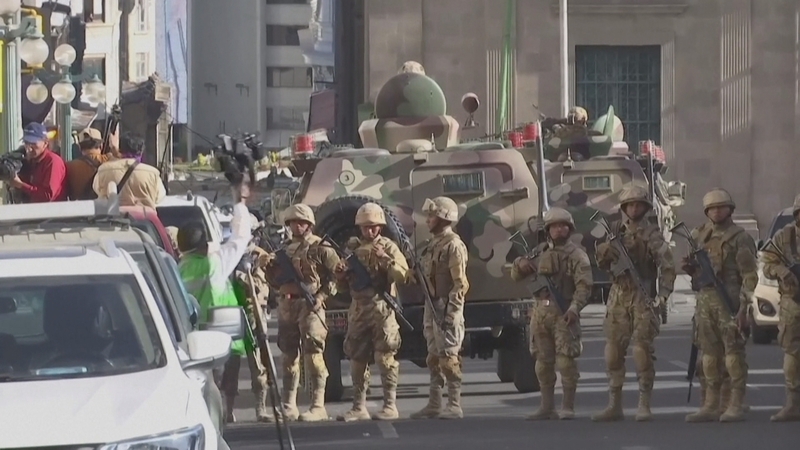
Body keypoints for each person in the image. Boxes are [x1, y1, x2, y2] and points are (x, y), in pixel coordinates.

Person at [592, 184, 676, 422]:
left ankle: (643, 403)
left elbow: (668, 266)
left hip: (642, 295)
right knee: (612, 353)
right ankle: (614, 404)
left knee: (641, 351)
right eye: (630, 204)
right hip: (619, 295)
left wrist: (663, 295)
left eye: (639, 204)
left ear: (645, 207)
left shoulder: (652, 234)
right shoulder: (615, 231)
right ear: (624, 207)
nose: (634, 208)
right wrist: (606, 250)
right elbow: (600, 262)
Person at [177, 181, 252, 423]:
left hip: (193, 340)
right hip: (223, 335)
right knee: (225, 380)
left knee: (205, 385)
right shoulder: (216, 263)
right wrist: (239, 203)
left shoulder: (176, 268)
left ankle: (209, 415)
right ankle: (227, 412)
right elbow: (241, 237)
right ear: (204, 244)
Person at [683, 188, 757, 423]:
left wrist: (744, 307)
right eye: (712, 208)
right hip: (705, 301)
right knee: (709, 357)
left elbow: (749, 275)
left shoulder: (740, 237)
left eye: (721, 207)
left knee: (733, 355)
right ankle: (711, 404)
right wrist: (691, 269)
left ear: (730, 210)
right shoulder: (698, 235)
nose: (716, 211)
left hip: (730, 300)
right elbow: (693, 269)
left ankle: (735, 402)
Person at [511, 208, 593, 420]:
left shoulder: (576, 255)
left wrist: (575, 308)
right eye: (555, 226)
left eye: (563, 225)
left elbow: (584, 286)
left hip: (563, 312)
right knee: (542, 363)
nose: (559, 229)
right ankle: (546, 406)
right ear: (548, 229)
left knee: (566, 362)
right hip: (540, 313)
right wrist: (520, 263)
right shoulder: (539, 251)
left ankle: (568, 406)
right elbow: (515, 275)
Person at [261, 204, 340, 422]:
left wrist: (322, 297)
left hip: (311, 305)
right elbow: (276, 282)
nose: (298, 226)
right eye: (294, 222)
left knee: (314, 355)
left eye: (302, 222)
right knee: (288, 356)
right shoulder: (283, 250)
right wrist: (268, 267)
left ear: (310, 224)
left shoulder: (321, 248)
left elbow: (337, 276)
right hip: (287, 305)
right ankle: (289, 405)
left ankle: (318, 405)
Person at [335, 203, 409, 422]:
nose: (370, 231)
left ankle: (389, 405)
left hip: (382, 308)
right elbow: (341, 290)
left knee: (385, 358)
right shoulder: (353, 252)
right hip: (358, 309)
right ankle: (359, 406)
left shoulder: (389, 247)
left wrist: (384, 258)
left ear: (380, 227)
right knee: (357, 358)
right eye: (366, 227)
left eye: (374, 227)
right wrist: (341, 274)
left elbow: (402, 276)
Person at [409, 196, 470, 420]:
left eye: (432, 216)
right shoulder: (433, 245)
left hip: (445, 307)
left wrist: (453, 312)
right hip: (431, 304)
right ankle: (434, 403)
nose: (428, 220)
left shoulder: (454, 245)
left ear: (444, 218)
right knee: (433, 356)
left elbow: (460, 283)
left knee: (448, 357)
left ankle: (454, 404)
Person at [759, 193, 800, 422]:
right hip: (792, 303)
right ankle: (793, 404)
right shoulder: (785, 236)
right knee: (792, 355)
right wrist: (782, 271)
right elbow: (767, 263)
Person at [228, 215, 272, 423]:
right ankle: (227, 409)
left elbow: (264, 289)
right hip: (231, 313)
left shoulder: (260, 257)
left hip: (253, 313)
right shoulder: (228, 254)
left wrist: (247, 276)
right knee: (230, 364)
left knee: (258, 363)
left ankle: (260, 408)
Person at [93, 131, 165, 207]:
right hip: (143, 217)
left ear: (120, 149)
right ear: (141, 151)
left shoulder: (103, 170)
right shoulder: (152, 173)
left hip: (113, 217)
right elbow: (159, 197)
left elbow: (96, 189)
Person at [10, 122, 68, 202]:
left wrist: (21, 185)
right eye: (26, 143)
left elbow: (48, 196)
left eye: (33, 144)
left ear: (45, 143)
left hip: (52, 211)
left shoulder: (53, 161)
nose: (28, 148)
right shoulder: (32, 160)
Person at [66, 127, 120, 200]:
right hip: (106, 209)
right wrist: (115, 150)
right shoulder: (112, 160)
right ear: (101, 146)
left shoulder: (70, 167)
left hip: (81, 209)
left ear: (79, 147)